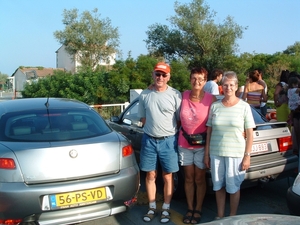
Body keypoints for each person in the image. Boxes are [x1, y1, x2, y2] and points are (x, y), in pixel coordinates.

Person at [204, 71, 255, 219]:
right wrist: (207, 154)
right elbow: (209, 131)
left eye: (232, 85)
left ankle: (232, 217)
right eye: (225, 85)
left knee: (233, 187)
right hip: (216, 152)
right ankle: (220, 216)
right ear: (221, 87)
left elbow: (250, 133)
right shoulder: (215, 106)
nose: (228, 88)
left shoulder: (244, 107)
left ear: (237, 86)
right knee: (218, 186)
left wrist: (247, 156)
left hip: (236, 153)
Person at [138, 62, 182, 223]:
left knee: (168, 176)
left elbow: (179, 120)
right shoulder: (144, 95)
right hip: (149, 140)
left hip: (169, 141)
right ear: (153, 74)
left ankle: (166, 208)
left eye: (164, 75)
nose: (160, 77)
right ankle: (151, 207)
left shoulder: (176, 95)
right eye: (158, 74)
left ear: (169, 76)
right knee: (150, 175)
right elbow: (143, 119)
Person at [178, 67, 217, 224]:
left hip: (202, 145)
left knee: (200, 179)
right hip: (184, 143)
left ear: (205, 81)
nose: (197, 82)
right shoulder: (182, 96)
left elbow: (215, 123)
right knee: (188, 178)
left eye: (201, 79)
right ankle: (190, 208)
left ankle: (198, 209)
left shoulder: (211, 99)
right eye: (194, 78)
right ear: (190, 79)